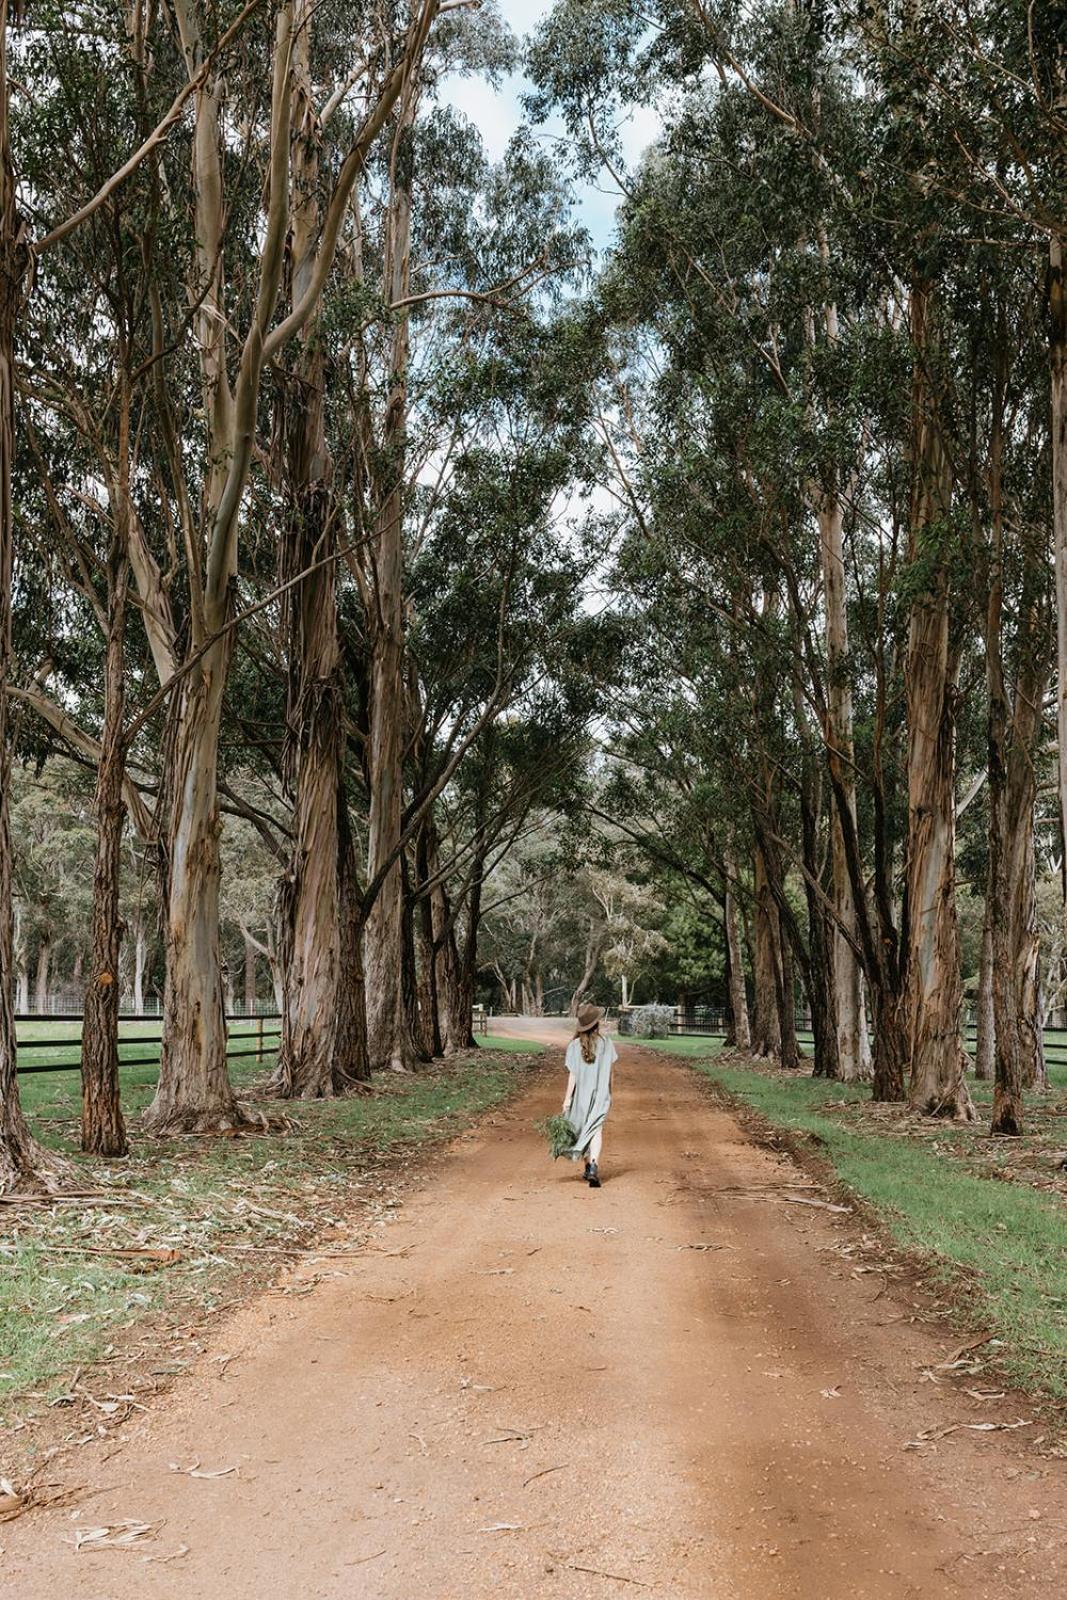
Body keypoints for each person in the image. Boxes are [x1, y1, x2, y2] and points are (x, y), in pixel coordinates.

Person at [561, 1003, 618, 1188]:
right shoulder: (607, 1043)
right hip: (601, 1095)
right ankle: (592, 1165)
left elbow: (573, 1076)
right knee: (596, 1129)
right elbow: (610, 1073)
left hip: (581, 1097)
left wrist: (567, 1100)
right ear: (596, 1024)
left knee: (583, 1129)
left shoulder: (574, 1046)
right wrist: (610, 1093)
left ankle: (589, 1167)